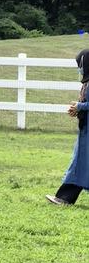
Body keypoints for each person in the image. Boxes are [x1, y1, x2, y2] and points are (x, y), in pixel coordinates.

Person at [46, 48, 89, 205]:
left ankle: (65, 198)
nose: (80, 69)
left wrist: (80, 106)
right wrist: (77, 110)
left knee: (80, 162)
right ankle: (65, 197)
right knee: (80, 162)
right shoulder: (87, 83)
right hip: (85, 130)